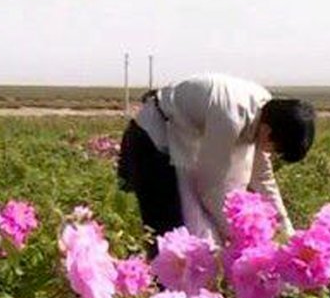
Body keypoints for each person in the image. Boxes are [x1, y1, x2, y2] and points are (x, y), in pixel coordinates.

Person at [117, 74, 315, 247]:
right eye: (277, 150)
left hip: (177, 137)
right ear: (269, 132)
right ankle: (161, 286)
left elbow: (262, 176)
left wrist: (286, 230)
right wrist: (238, 236)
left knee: (189, 225)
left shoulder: (267, 112)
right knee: (169, 229)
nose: (273, 154)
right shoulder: (230, 118)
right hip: (152, 140)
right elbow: (211, 188)